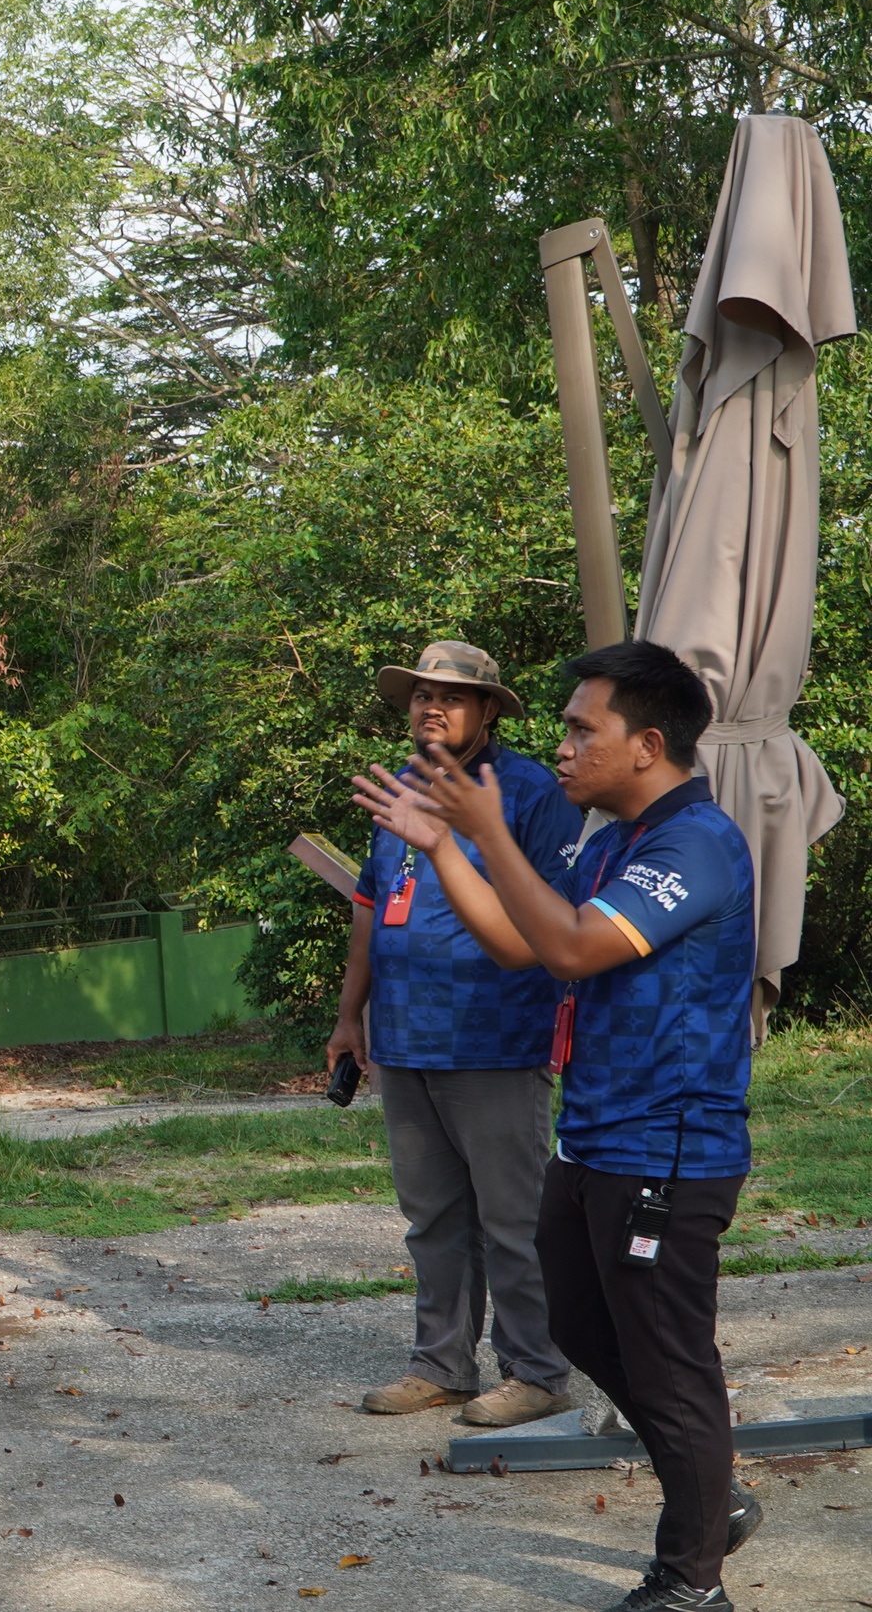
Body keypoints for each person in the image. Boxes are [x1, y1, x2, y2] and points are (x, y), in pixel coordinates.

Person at [355, 640, 765, 1612]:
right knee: (580, 1323)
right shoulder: (611, 842)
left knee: (668, 1362)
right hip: (595, 1140)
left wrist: (486, 831)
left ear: (648, 744)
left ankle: (691, 1578)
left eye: (586, 729)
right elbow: (518, 942)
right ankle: (709, 1494)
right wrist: (447, 847)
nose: (567, 744)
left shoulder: (695, 844)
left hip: (667, 1147)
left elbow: (575, 950)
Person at [333, 641, 579, 1426]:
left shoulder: (533, 793)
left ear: (486, 712)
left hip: (496, 1038)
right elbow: (372, 906)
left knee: (512, 1217)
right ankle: (442, 1363)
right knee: (432, 1217)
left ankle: (536, 1369)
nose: (431, 707)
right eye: (420, 695)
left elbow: (557, 912)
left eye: (451, 696)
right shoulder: (400, 789)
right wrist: (350, 1015)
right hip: (405, 1037)